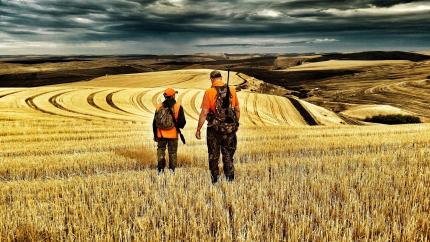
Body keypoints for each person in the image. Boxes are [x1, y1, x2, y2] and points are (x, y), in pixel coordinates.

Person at [195, 70, 240, 183]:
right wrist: (235, 123)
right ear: (221, 78)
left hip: (213, 129)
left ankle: (214, 179)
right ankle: (230, 179)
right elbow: (237, 109)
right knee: (228, 155)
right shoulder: (232, 90)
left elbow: (204, 113)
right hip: (229, 129)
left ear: (211, 79)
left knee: (213, 155)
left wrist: (198, 128)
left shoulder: (209, 92)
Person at [153, 88, 186, 172]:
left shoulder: (159, 106)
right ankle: (172, 171)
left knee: (161, 151)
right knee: (172, 153)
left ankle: (160, 170)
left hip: (161, 134)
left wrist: (155, 135)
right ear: (173, 96)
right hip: (173, 135)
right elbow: (182, 122)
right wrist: (177, 126)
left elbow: (154, 122)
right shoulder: (178, 106)